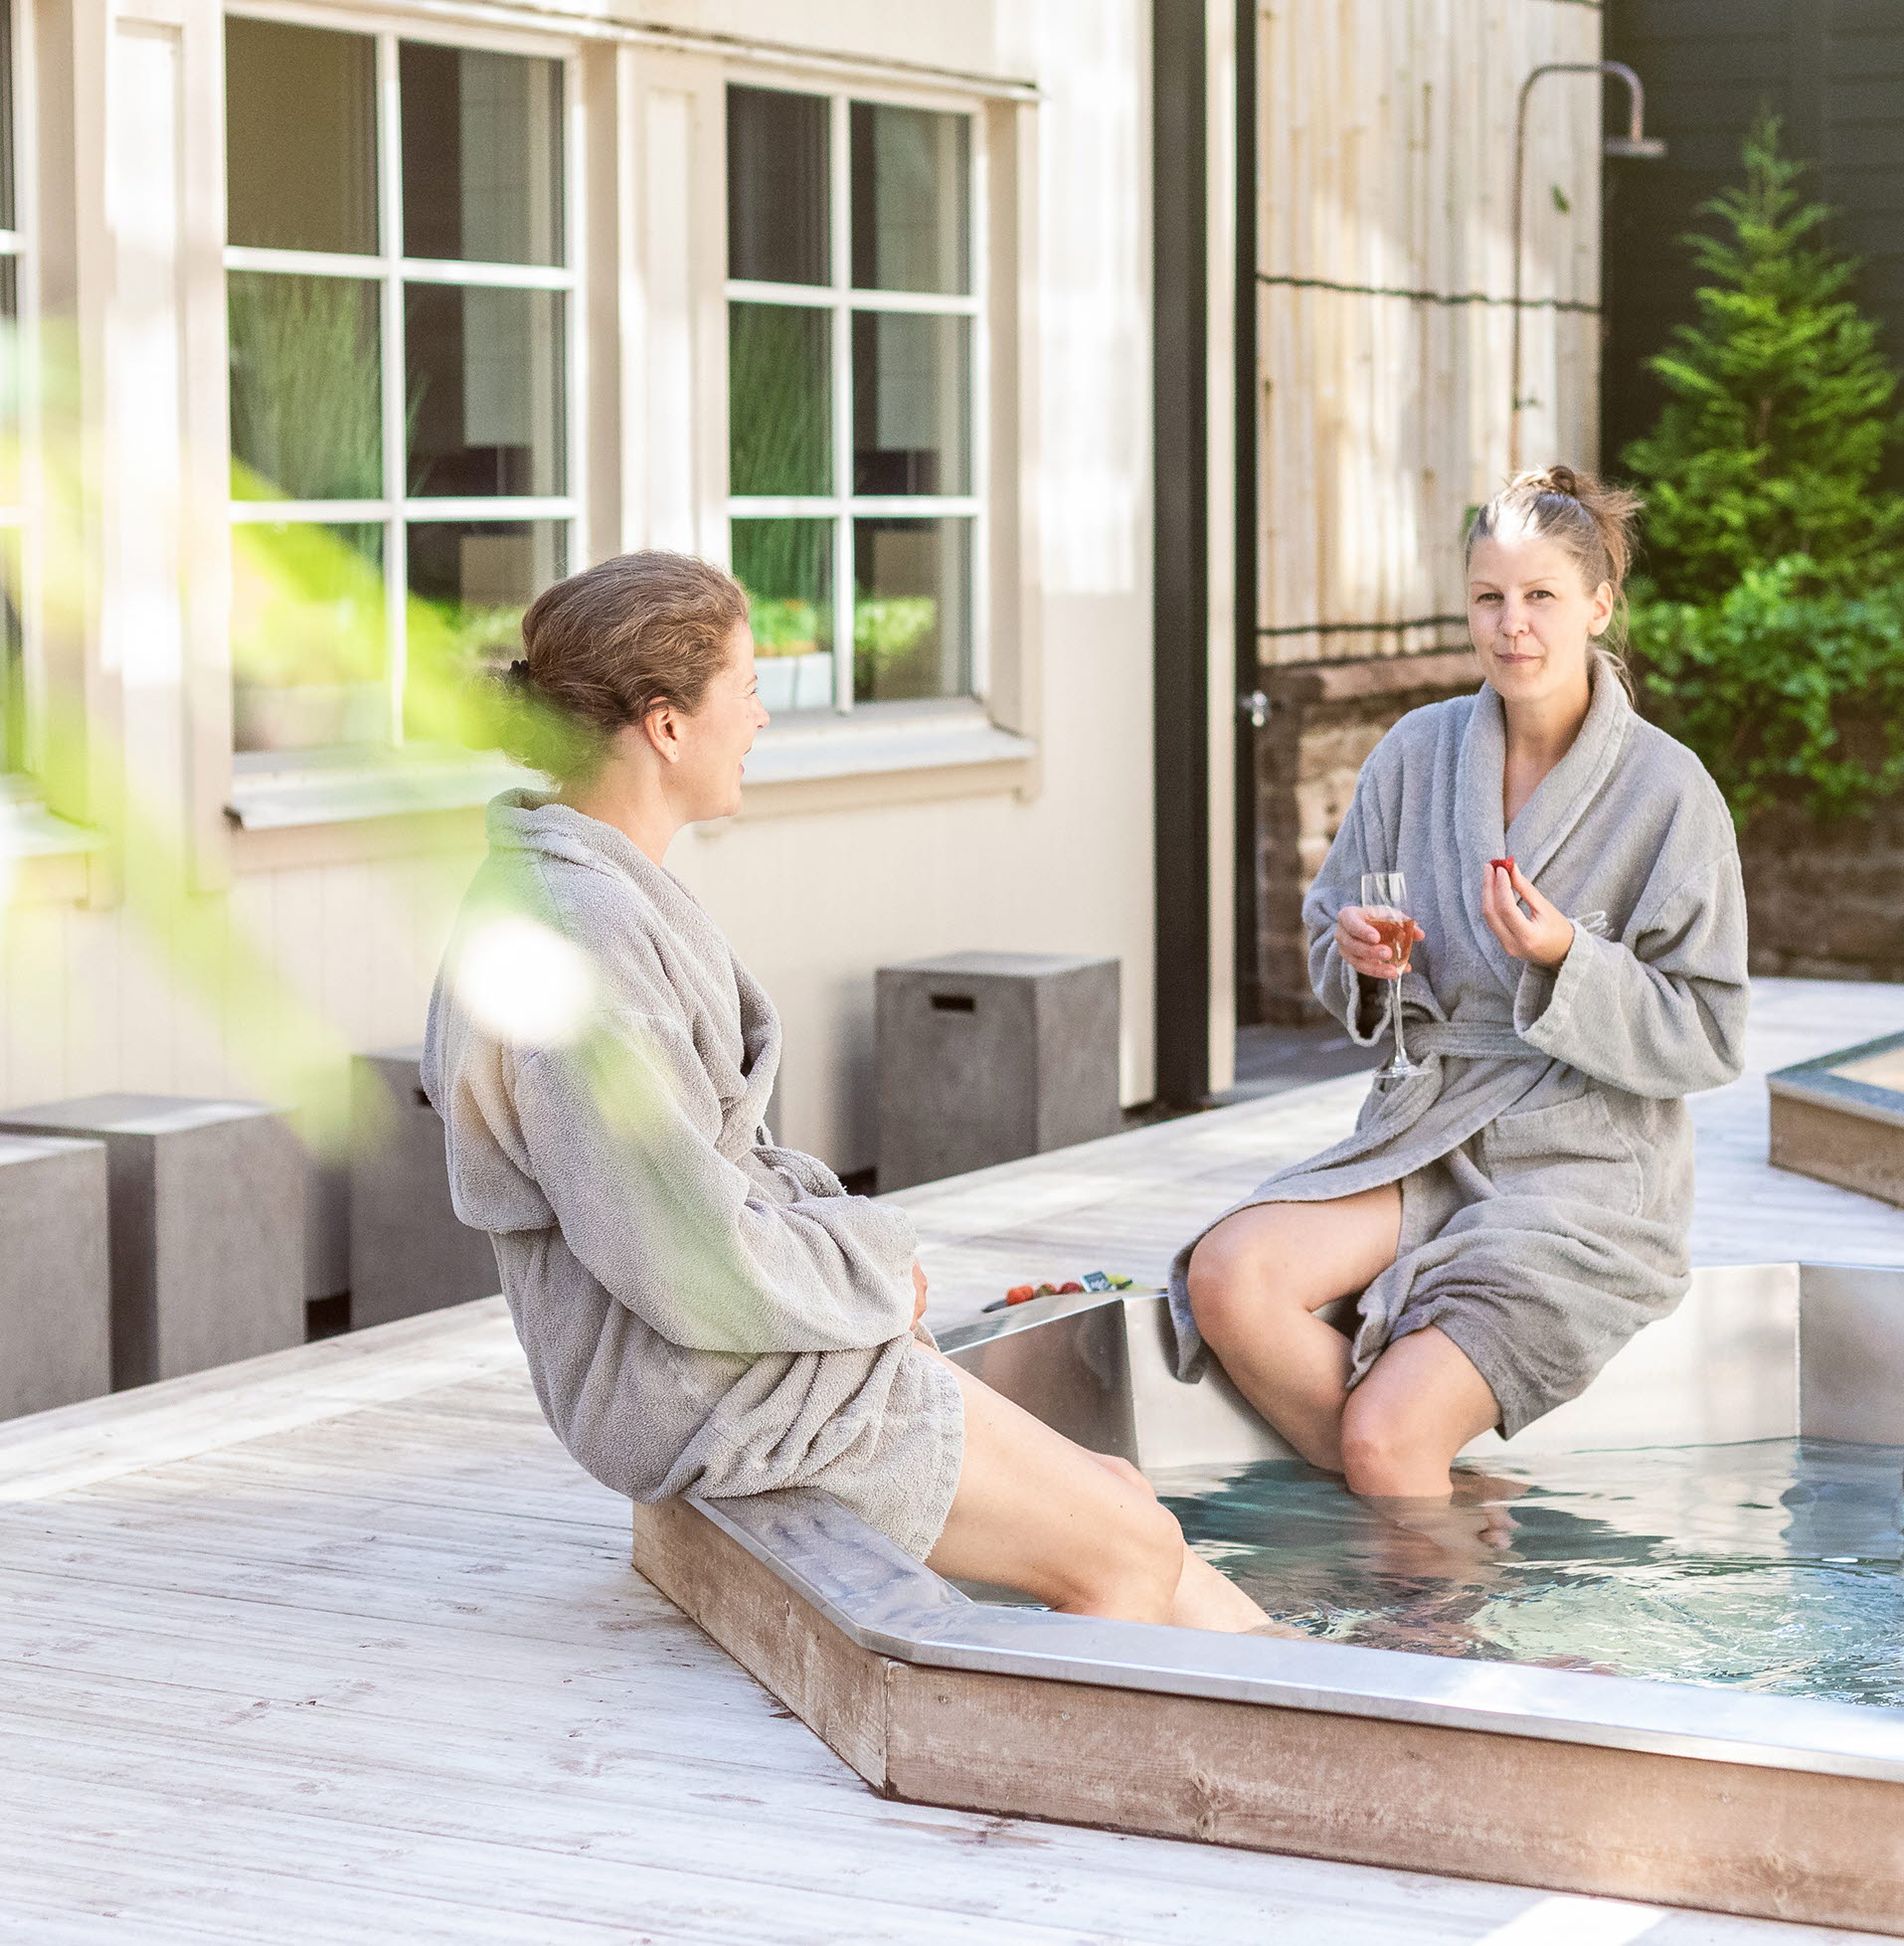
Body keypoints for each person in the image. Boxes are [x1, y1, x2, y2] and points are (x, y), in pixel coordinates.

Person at [423, 550, 1267, 1632]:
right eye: (749, 689)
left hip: (731, 1344)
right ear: (667, 724)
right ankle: (1069, 1792)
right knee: (1122, 1558)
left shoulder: (589, 890)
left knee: (1126, 1500)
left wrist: (851, 1263)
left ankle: (1354, 1720)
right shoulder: (580, 941)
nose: (763, 720)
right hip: (693, 1383)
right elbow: (682, 1255)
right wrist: (871, 1268)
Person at [1174, 466, 1748, 1499]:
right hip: (1429, 1129)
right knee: (1228, 1274)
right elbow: (1329, 927)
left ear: (1598, 605)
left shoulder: (1668, 792)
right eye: (1489, 596)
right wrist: (1356, 951)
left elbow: (1708, 1031)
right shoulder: (1414, 754)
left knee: (1384, 1441)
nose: (1511, 624)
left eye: (1540, 597)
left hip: (1584, 1165)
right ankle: (1443, 1499)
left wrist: (1568, 957)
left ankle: (1420, 1554)